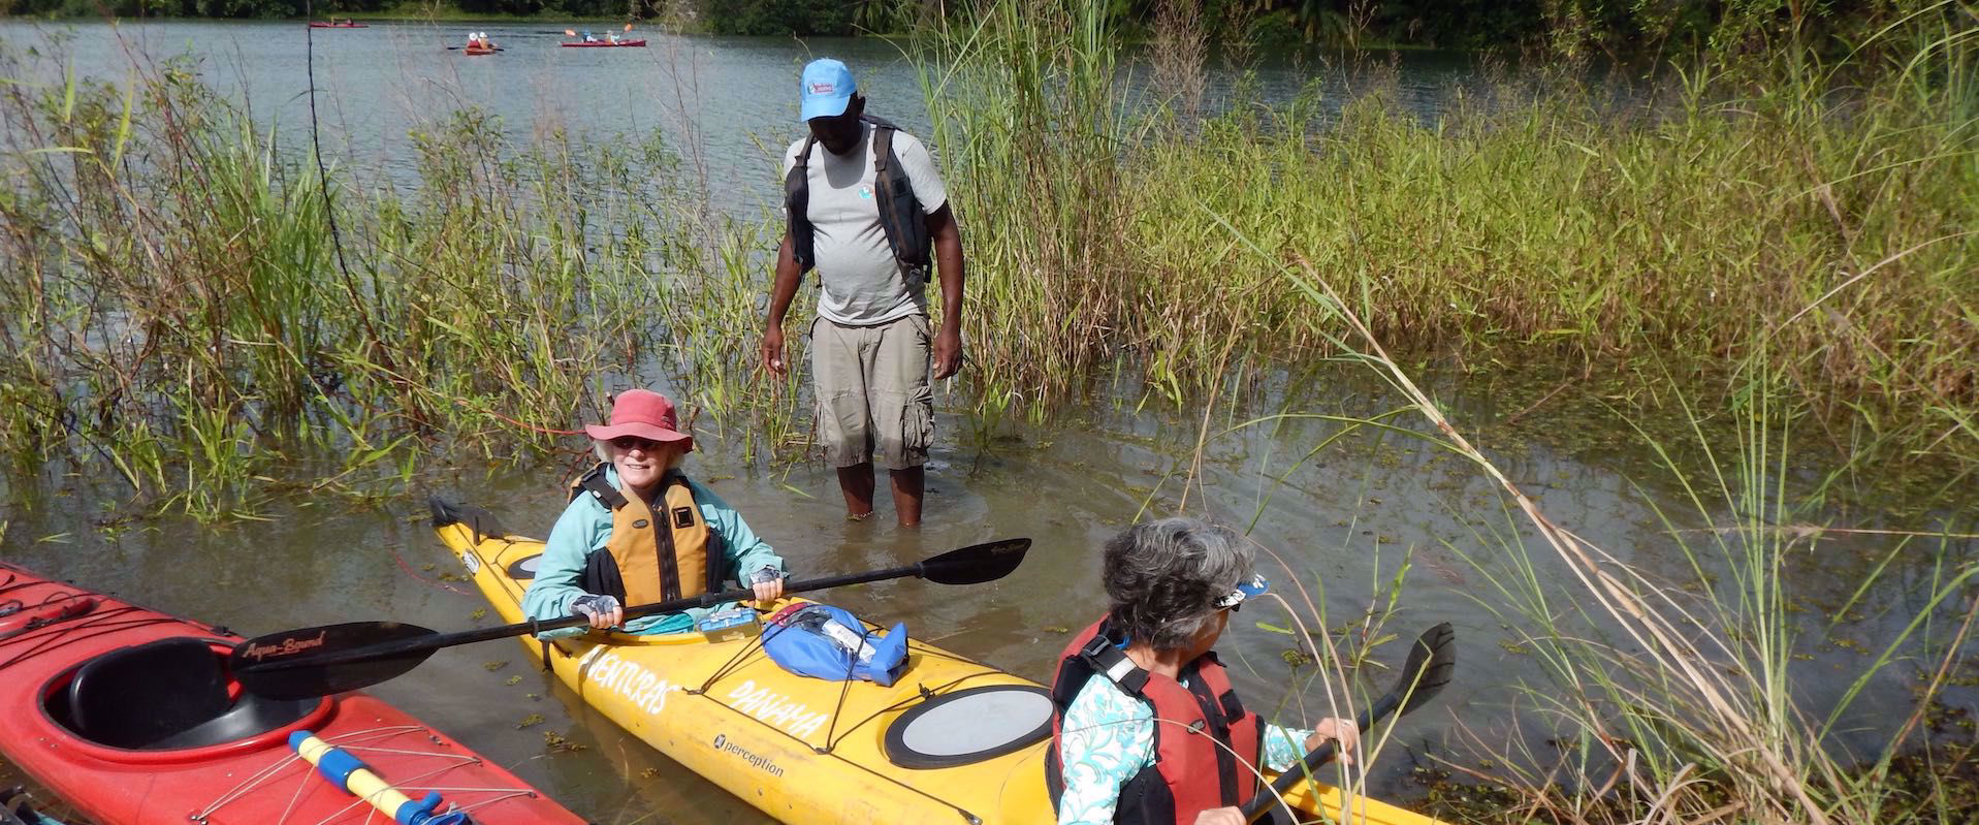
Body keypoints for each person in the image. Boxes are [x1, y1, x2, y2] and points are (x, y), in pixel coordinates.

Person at [1047, 518, 1360, 825]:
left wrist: (1310, 744)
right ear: (1196, 620)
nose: (1227, 621)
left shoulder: (1188, 671)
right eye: (1228, 609)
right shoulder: (1109, 717)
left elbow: (1236, 739)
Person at [760, 58, 964, 528]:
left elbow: (946, 233)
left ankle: (908, 539)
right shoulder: (798, 159)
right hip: (833, 322)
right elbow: (794, 242)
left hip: (897, 315)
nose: (828, 129)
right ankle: (861, 534)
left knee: (901, 439)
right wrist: (774, 322)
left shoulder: (900, 151)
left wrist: (949, 327)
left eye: (836, 116)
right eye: (817, 119)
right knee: (845, 438)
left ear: (859, 104)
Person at [521, 389, 787, 638]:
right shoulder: (587, 513)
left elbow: (748, 551)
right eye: (624, 442)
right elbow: (541, 598)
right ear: (610, 447)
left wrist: (763, 570)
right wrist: (579, 604)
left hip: (709, 623)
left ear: (670, 451)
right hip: (627, 635)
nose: (636, 452)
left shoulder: (699, 501)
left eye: (650, 443)